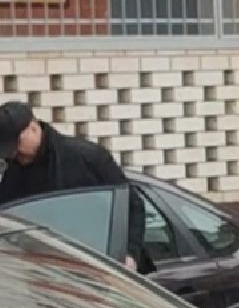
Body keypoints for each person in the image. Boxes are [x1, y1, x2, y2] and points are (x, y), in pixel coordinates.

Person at [0, 101, 144, 271]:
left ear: (33, 127)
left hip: (99, 266)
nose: (15, 153)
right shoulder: (10, 170)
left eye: (17, 143)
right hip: (39, 272)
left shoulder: (87, 158)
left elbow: (132, 207)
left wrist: (129, 255)